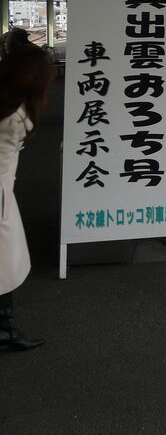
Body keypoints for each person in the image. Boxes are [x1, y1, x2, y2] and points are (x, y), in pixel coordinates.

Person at [0, 45, 52, 351]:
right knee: (6, 261)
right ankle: (7, 328)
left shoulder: (7, 104)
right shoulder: (15, 115)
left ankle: (7, 326)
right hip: (2, 196)